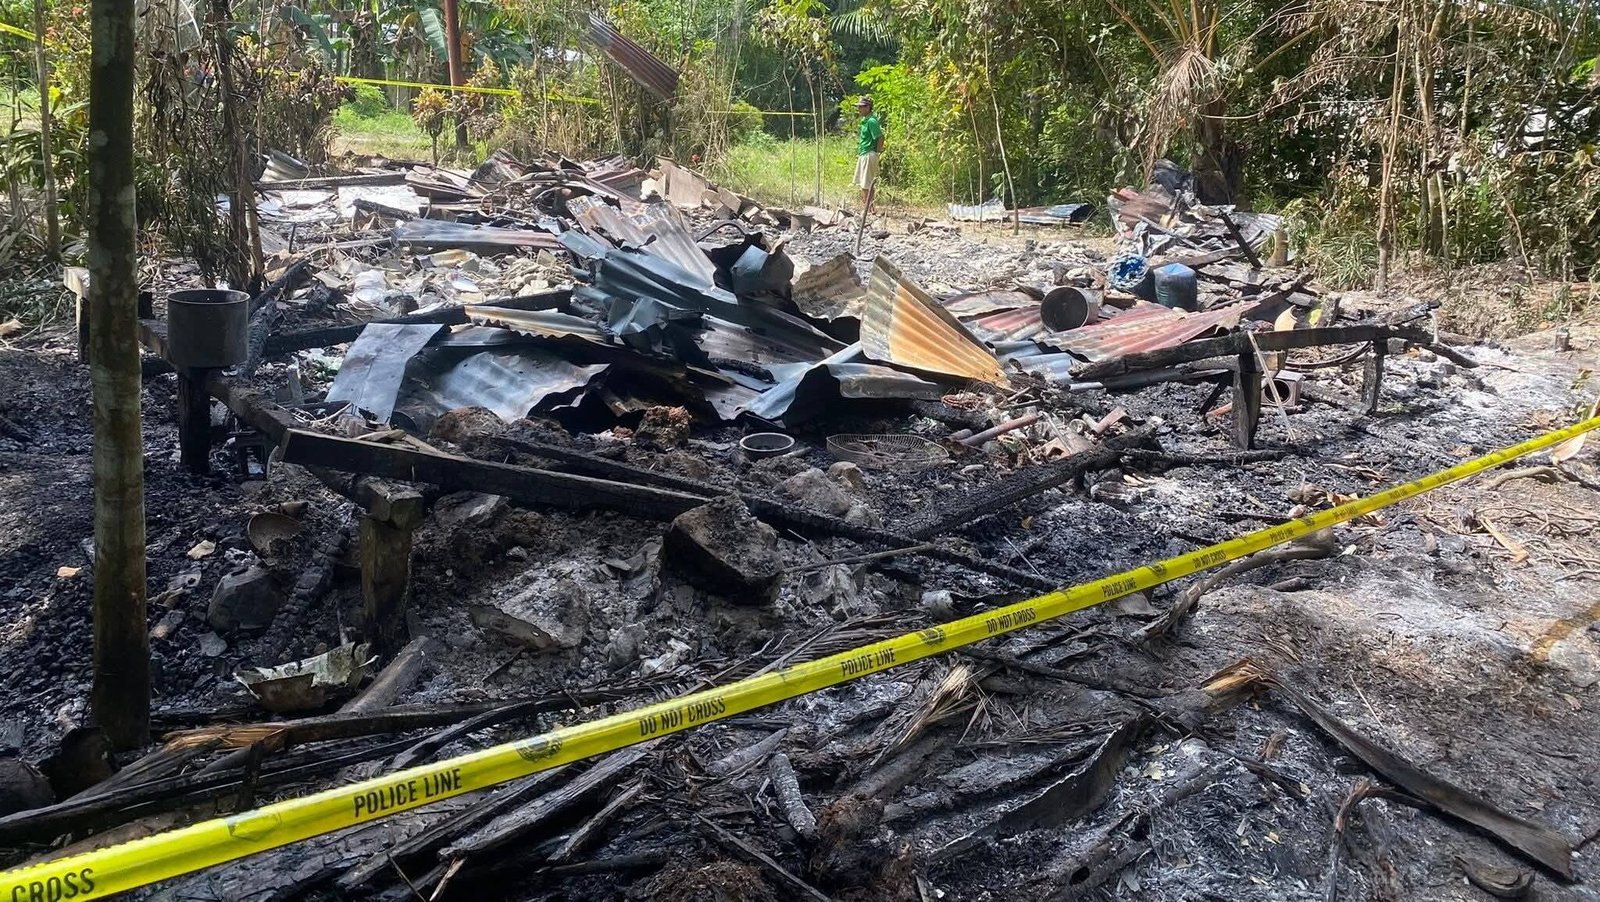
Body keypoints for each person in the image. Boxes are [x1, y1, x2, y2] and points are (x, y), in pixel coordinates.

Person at [854, 96, 884, 214]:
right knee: (865, 183)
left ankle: (868, 210)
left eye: (861, 107)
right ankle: (869, 209)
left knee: (866, 184)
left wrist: (877, 152)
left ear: (868, 107)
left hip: (869, 154)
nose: (859, 109)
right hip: (864, 153)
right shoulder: (866, 120)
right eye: (858, 107)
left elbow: (880, 137)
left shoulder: (871, 121)